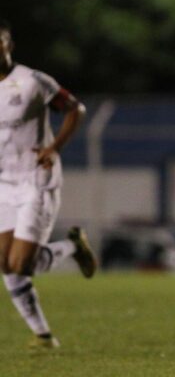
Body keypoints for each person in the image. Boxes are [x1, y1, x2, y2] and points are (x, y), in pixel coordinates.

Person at [0, 20, 97, 349]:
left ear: (8, 44)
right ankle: (43, 336)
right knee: (5, 263)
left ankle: (73, 247)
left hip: (36, 181)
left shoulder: (31, 82)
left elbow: (75, 109)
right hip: (4, 184)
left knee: (21, 264)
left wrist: (53, 148)